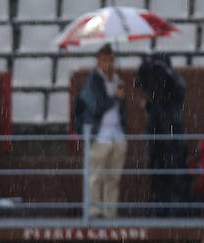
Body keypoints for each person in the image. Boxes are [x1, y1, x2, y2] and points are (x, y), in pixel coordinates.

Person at [74, 44, 128, 219]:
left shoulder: (118, 80)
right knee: (95, 175)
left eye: (110, 60)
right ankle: (94, 209)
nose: (108, 64)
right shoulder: (93, 81)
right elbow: (97, 106)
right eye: (104, 60)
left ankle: (109, 210)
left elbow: (122, 108)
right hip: (100, 134)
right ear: (99, 61)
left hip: (116, 133)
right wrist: (115, 98)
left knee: (113, 177)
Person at [135, 52, 187, 214]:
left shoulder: (175, 81)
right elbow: (143, 85)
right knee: (158, 176)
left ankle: (179, 209)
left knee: (175, 174)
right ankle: (160, 209)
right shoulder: (156, 83)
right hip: (157, 137)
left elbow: (172, 102)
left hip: (172, 137)